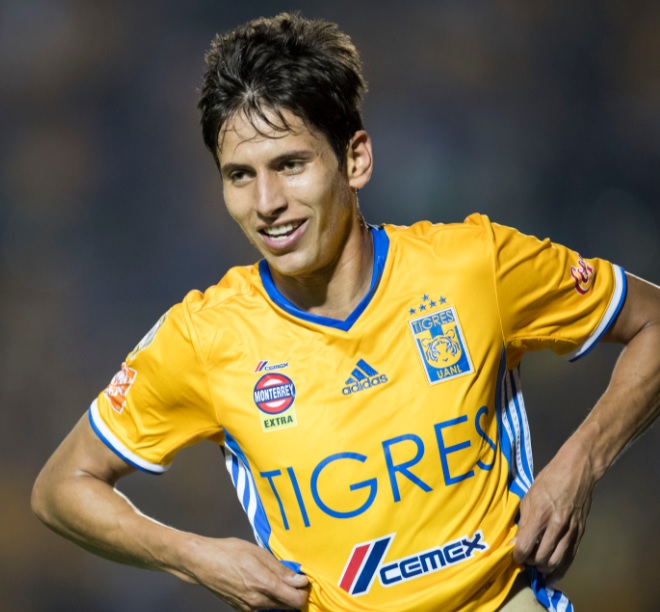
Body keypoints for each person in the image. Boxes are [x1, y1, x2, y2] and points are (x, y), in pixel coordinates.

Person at [32, 12, 660, 612]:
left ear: (355, 159)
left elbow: (653, 322)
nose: (267, 203)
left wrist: (582, 462)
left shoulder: (473, 267)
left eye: (290, 164)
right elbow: (62, 487)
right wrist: (196, 558)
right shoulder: (204, 337)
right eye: (240, 176)